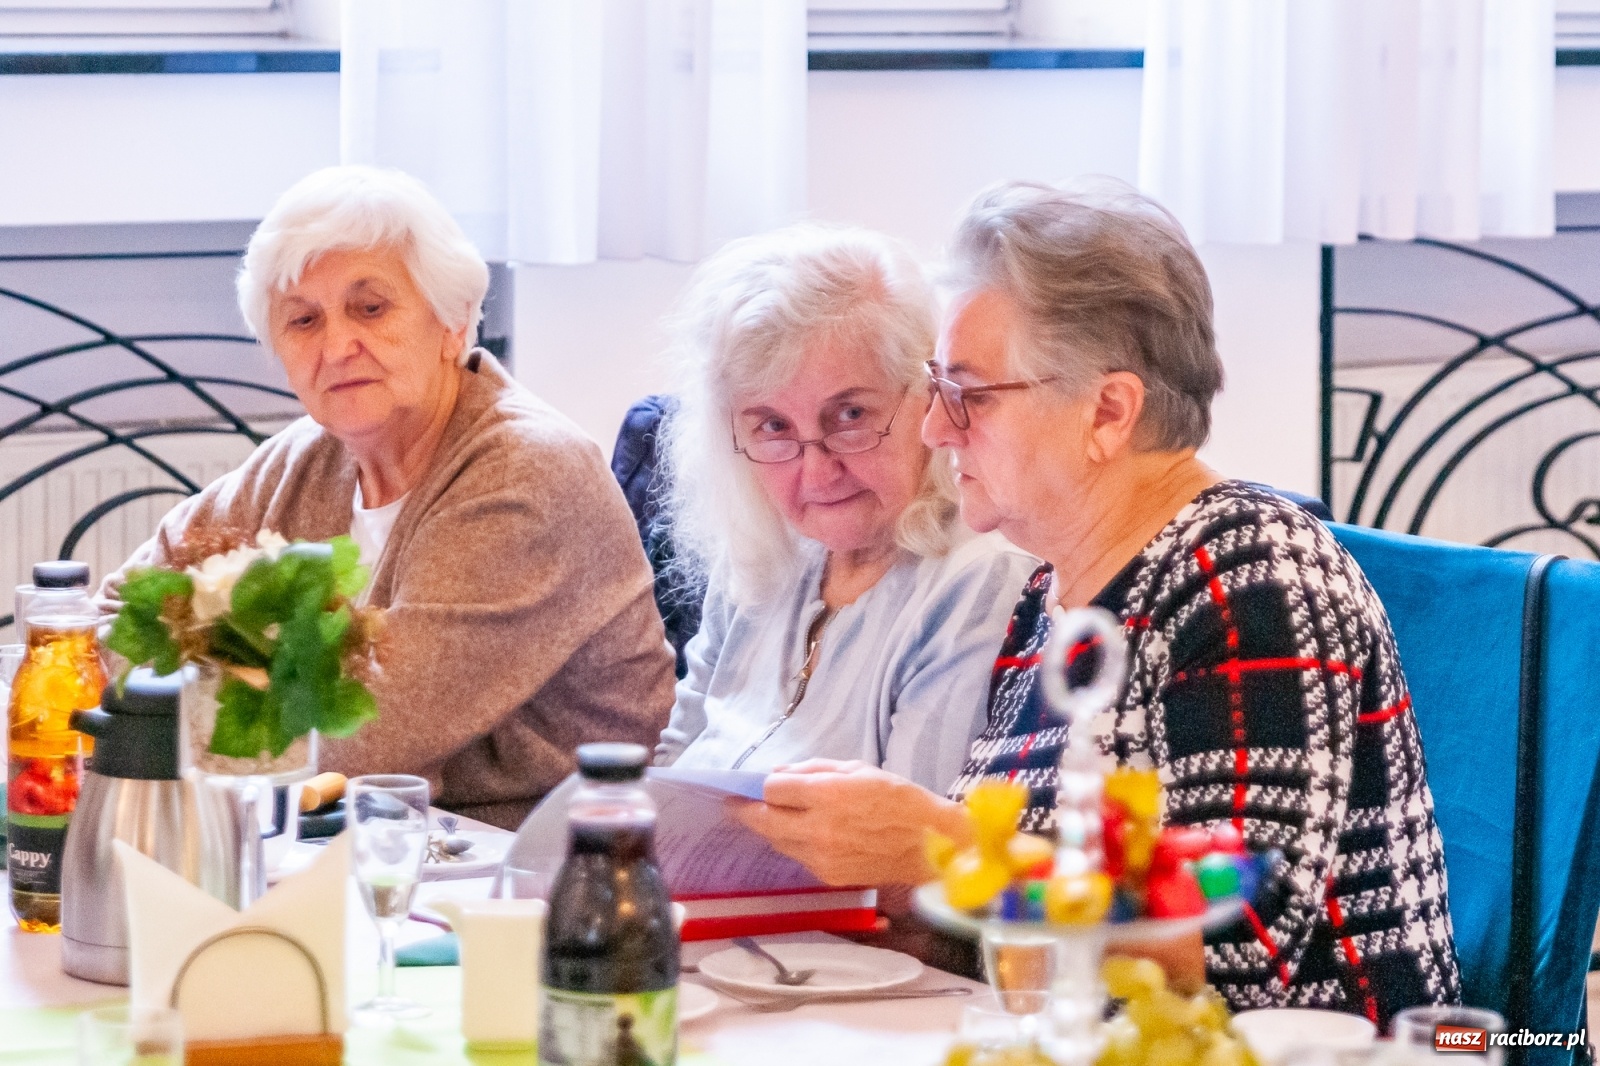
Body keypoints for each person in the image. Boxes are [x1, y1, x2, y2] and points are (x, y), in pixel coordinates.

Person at [733, 180, 1461, 1026]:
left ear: (1108, 411)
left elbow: (1230, 954)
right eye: (936, 387)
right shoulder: (1055, 591)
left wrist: (942, 850)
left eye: (968, 393)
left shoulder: (1254, 576)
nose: (934, 428)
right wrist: (896, 906)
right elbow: (1033, 931)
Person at [101, 165, 676, 828]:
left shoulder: (526, 471)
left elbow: (369, 733)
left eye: (370, 308)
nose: (339, 345)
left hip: (546, 861)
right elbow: (115, 617)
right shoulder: (306, 458)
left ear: (453, 323)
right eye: (303, 320)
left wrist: (177, 700)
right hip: (363, 838)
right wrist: (253, 690)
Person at [654, 223, 1037, 794]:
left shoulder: (978, 579)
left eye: (851, 415)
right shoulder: (765, 547)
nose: (816, 472)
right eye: (773, 426)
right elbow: (675, 767)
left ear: (928, 396)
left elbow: (909, 855)